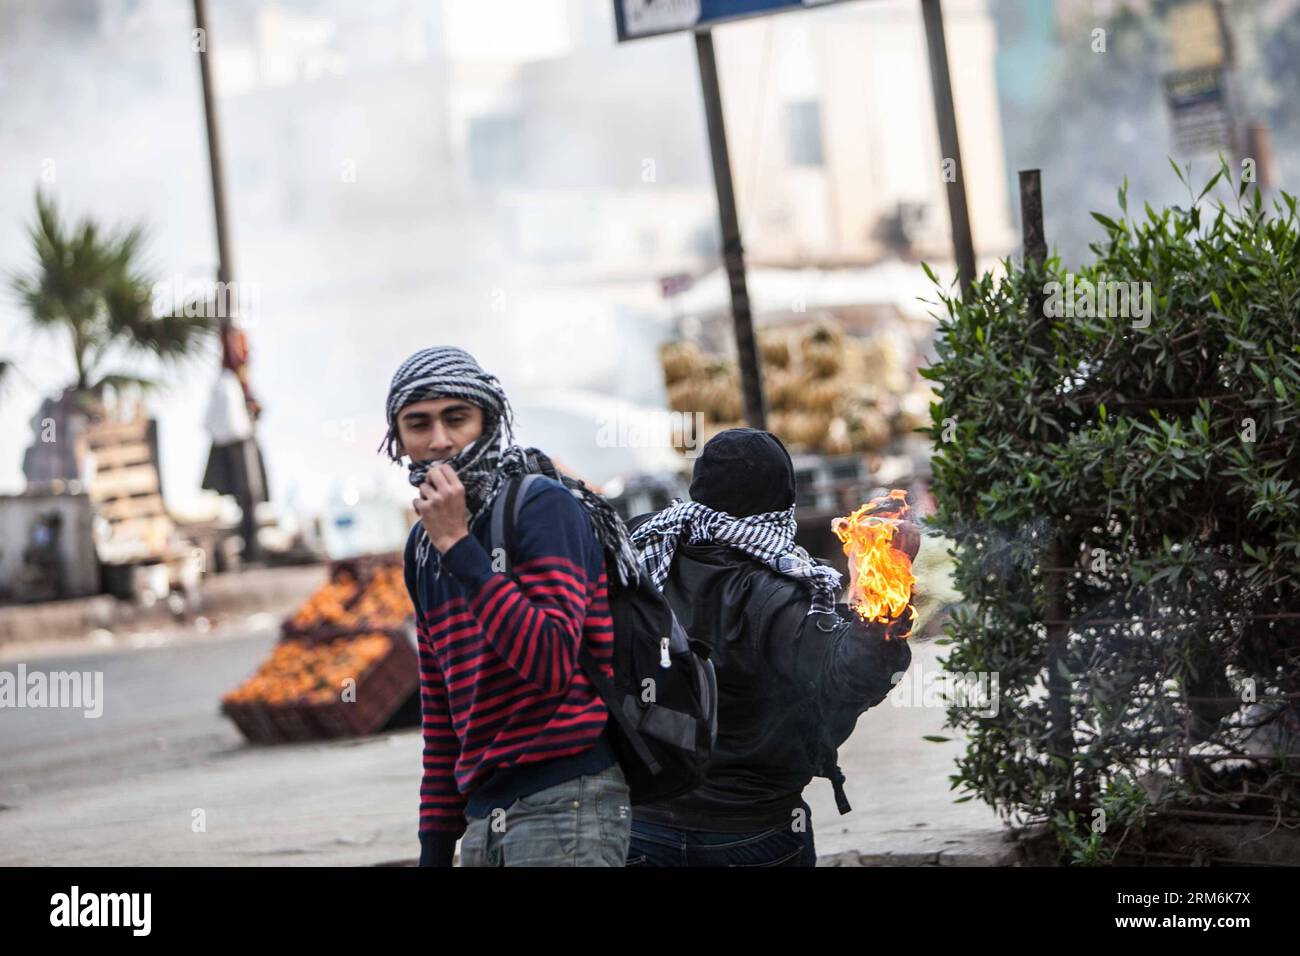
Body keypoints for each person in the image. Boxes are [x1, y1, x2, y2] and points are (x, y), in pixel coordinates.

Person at [379, 346, 642, 867]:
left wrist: (461, 547)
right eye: (418, 424)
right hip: (483, 820)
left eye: (457, 418)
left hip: (567, 806)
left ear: (488, 419)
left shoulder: (540, 507)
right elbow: (443, 713)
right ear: (399, 440)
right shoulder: (422, 547)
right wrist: (435, 849)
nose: (439, 440)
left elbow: (549, 663)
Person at [625, 427, 917, 867]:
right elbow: (850, 680)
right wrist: (885, 594)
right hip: (751, 831)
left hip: (642, 825)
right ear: (784, 501)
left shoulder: (641, 553)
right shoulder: (783, 593)